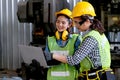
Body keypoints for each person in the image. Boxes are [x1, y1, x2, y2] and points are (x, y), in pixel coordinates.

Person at [49, 1, 116, 80]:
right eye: (74, 22)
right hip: (104, 75)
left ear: (87, 21)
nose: (76, 25)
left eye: (78, 22)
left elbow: (74, 60)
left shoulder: (90, 38)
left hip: (97, 77)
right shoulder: (99, 34)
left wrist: (52, 55)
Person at [44, 8, 81, 80]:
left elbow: (78, 62)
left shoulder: (76, 39)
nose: (60, 25)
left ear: (69, 24)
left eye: (63, 23)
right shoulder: (50, 39)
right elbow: (46, 59)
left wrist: (56, 57)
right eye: (58, 22)